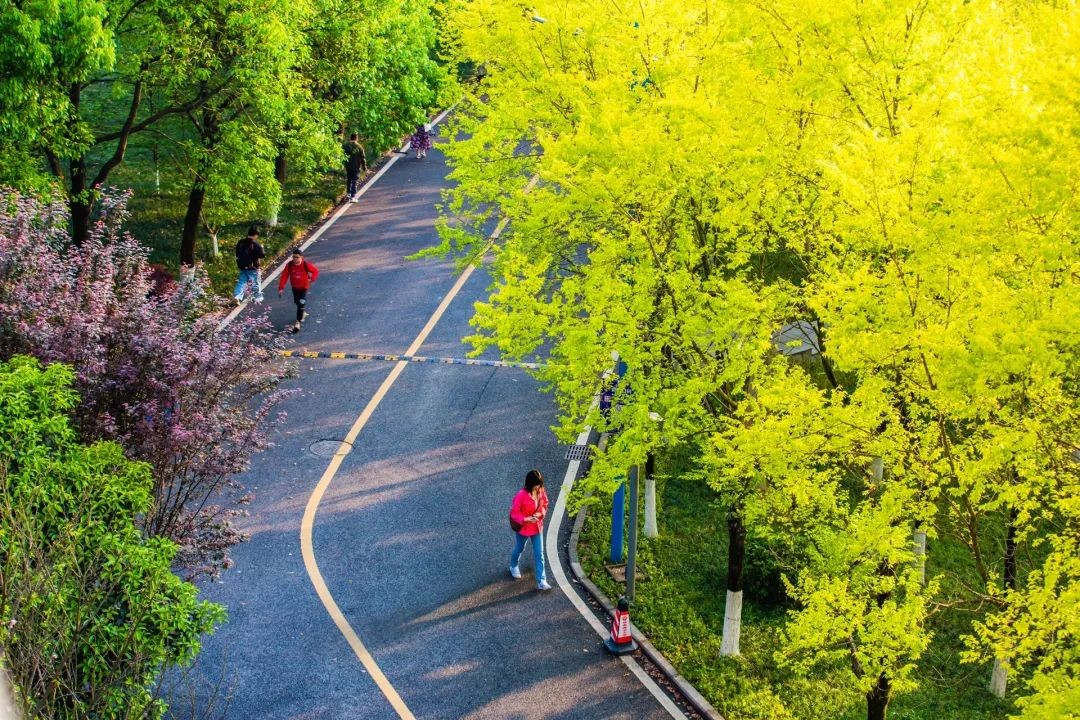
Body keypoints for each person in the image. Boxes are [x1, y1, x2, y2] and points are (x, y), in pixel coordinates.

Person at [509, 469, 552, 591]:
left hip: (537, 526)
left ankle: (542, 580)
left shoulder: (540, 490)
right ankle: (513, 565)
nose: (539, 487)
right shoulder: (521, 496)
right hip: (524, 528)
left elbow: (545, 504)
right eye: (536, 484)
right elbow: (514, 513)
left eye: (540, 484)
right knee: (520, 548)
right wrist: (526, 519)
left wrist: (540, 514)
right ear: (530, 483)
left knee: (540, 553)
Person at [277, 248, 319, 333]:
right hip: (295, 287)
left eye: (297, 257)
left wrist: (311, 279)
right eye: (293, 257)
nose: (295, 259)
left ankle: (297, 322)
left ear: (301, 257)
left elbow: (315, 271)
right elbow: (284, 276)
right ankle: (302, 313)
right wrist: (281, 288)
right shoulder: (289, 265)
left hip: (304, 288)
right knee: (296, 302)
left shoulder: (305, 264)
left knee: (301, 304)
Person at [233, 225, 265, 304]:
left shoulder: (240, 242)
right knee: (256, 282)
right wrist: (262, 247)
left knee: (242, 281)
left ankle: (237, 297)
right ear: (256, 235)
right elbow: (262, 255)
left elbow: (237, 253)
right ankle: (257, 297)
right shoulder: (255, 244)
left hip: (242, 266)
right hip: (253, 267)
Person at [343, 133, 367, 202]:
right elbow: (363, 158)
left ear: (350, 138)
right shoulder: (359, 147)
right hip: (356, 166)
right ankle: (353, 197)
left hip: (348, 166)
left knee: (349, 180)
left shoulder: (345, 146)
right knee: (354, 181)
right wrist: (364, 167)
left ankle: (348, 194)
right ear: (356, 138)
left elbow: (342, 156)